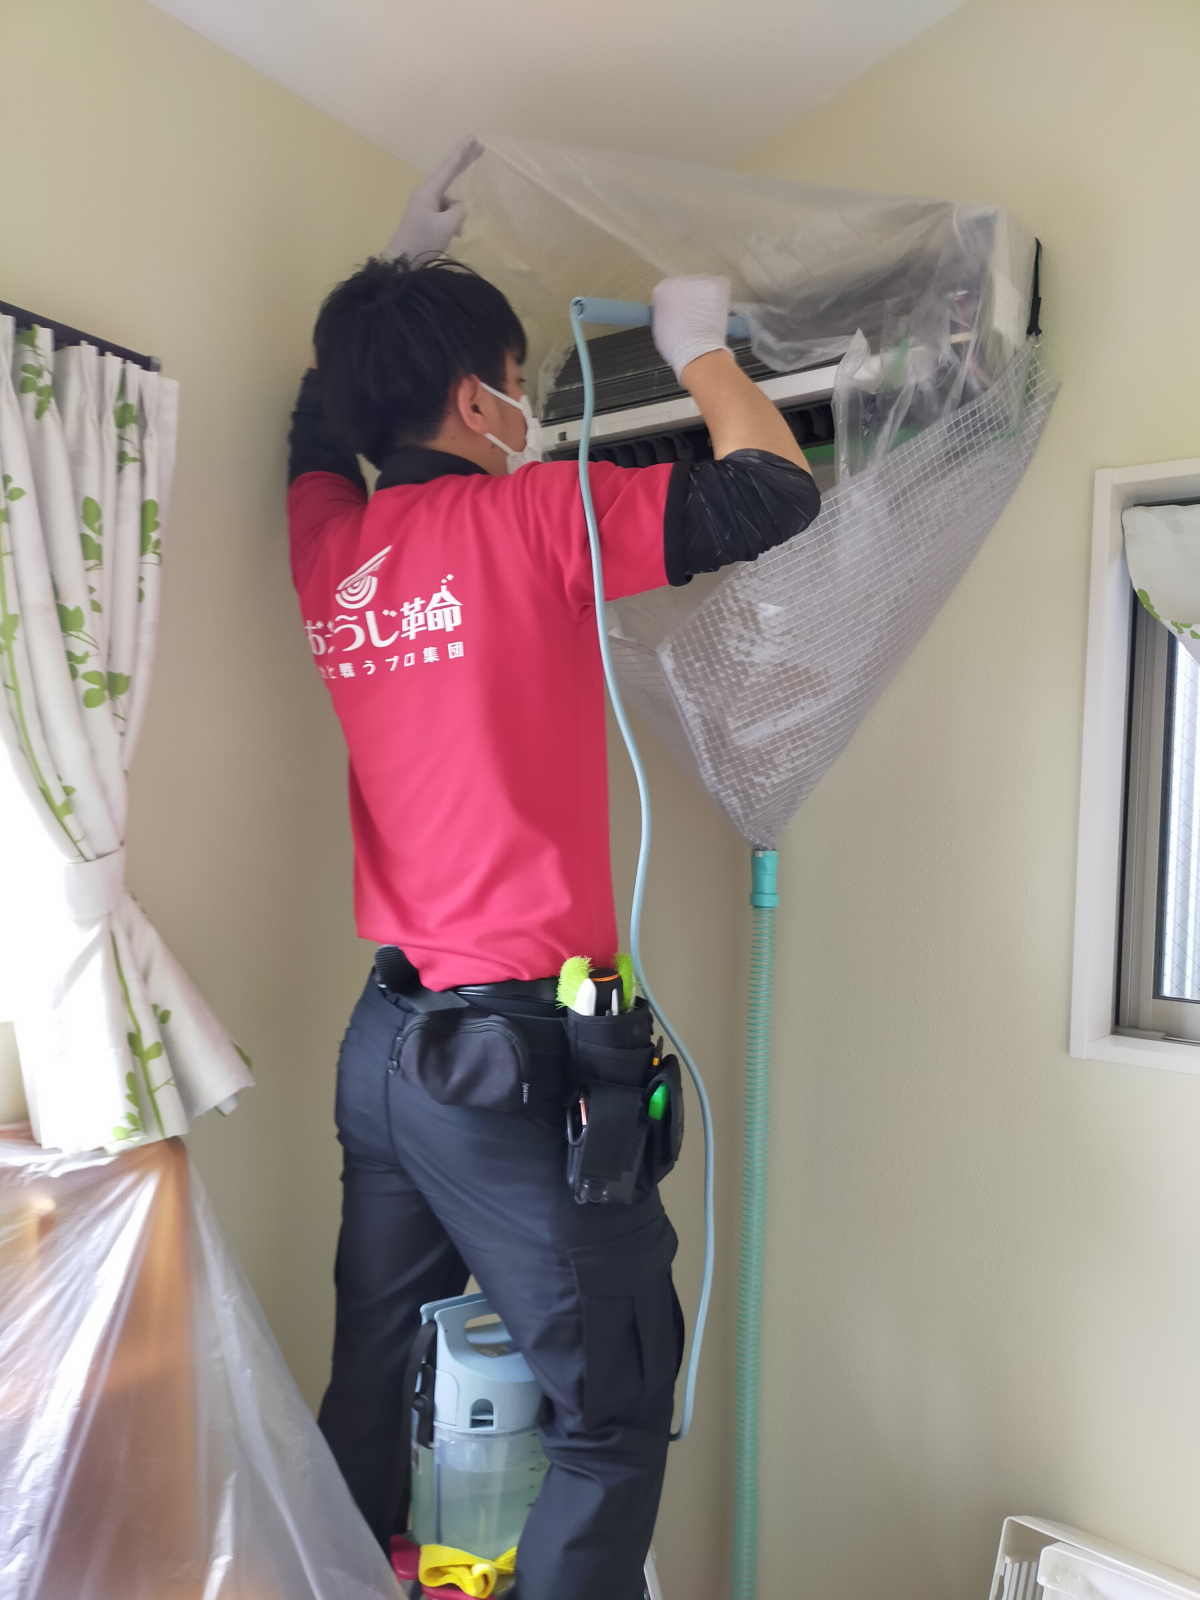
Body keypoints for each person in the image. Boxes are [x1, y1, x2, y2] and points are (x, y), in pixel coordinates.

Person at [286, 138, 820, 1600]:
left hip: (388, 1050)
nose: (531, 410)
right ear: (480, 402)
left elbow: (314, 432)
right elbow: (774, 493)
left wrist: (395, 274)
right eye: (519, 384)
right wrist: (700, 351)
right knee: (613, 1411)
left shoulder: (330, 549)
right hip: (510, 1069)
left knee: (373, 1370)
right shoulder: (533, 516)